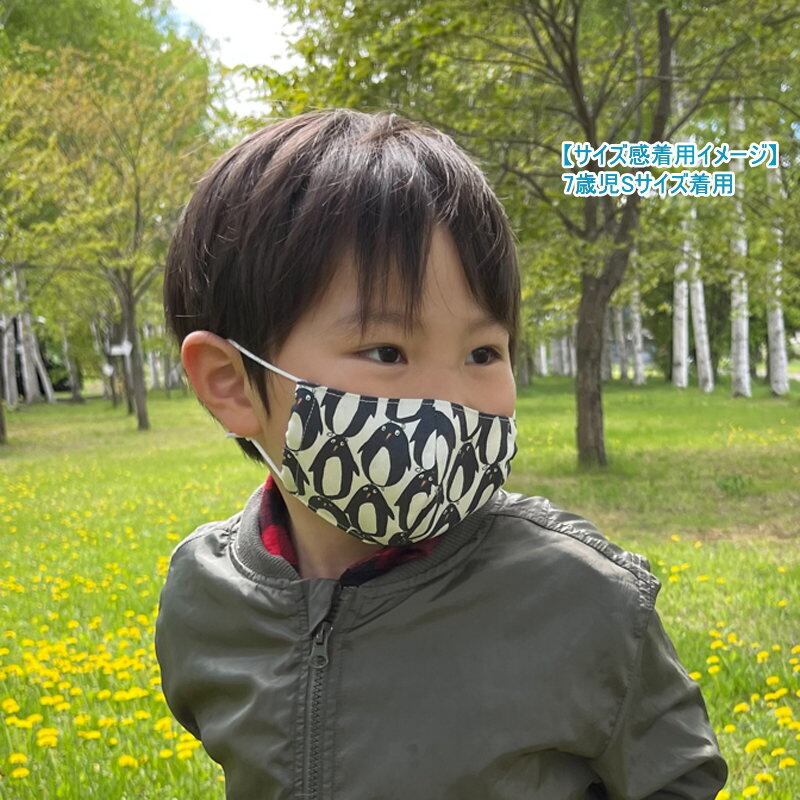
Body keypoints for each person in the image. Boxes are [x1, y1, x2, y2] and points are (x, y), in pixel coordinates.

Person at [156, 108, 728, 800]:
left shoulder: (582, 596)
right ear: (230, 382)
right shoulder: (203, 597)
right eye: (386, 351)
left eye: (483, 353)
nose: (449, 402)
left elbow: (679, 778)